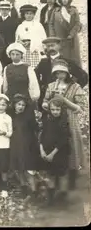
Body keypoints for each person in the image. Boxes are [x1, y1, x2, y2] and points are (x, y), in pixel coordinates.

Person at [42, 59, 86, 191]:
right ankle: (58, 182)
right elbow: (45, 101)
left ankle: (72, 179)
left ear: (67, 73)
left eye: (62, 73)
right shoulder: (51, 86)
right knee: (57, 146)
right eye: (57, 73)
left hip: (70, 120)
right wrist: (46, 105)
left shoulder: (75, 87)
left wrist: (64, 100)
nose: (59, 76)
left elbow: (80, 108)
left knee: (71, 147)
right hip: (56, 119)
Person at [35, 37, 88, 109]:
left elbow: (84, 76)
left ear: (59, 46)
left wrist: (73, 89)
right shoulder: (43, 63)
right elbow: (34, 77)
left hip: (65, 98)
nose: (50, 48)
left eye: (52, 45)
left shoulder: (68, 62)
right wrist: (42, 88)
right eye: (48, 46)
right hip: (47, 99)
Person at [39, 99, 70, 206]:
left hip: (60, 152)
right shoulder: (48, 121)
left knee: (61, 174)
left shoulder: (64, 122)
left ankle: (62, 198)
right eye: (52, 109)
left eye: (57, 109)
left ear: (62, 110)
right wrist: (42, 150)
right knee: (50, 174)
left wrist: (53, 154)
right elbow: (42, 136)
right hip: (48, 151)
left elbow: (63, 141)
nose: (55, 112)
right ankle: (50, 198)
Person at [9, 94, 40, 200]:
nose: (21, 107)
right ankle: (23, 188)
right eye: (19, 104)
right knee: (19, 168)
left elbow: (35, 130)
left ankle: (34, 191)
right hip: (15, 145)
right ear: (14, 105)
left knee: (28, 169)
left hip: (27, 146)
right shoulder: (10, 116)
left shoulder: (28, 117)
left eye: (23, 105)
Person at [2, 43, 40, 108]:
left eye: (17, 54)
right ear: (9, 55)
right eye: (13, 54)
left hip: (25, 98)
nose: (15, 56)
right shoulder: (7, 68)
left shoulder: (28, 68)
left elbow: (33, 84)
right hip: (11, 98)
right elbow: (5, 85)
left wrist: (34, 97)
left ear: (21, 55)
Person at [49, 0, 82, 66]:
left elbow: (77, 23)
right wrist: (53, 37)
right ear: (60, 0)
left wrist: (71, 34)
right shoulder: (56, 11)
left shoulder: (74, 10)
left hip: (71, 39)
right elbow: (51, 24)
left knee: (74, 58)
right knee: (62, 59)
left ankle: (76, 76)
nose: (64, 0)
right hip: (60, 39)